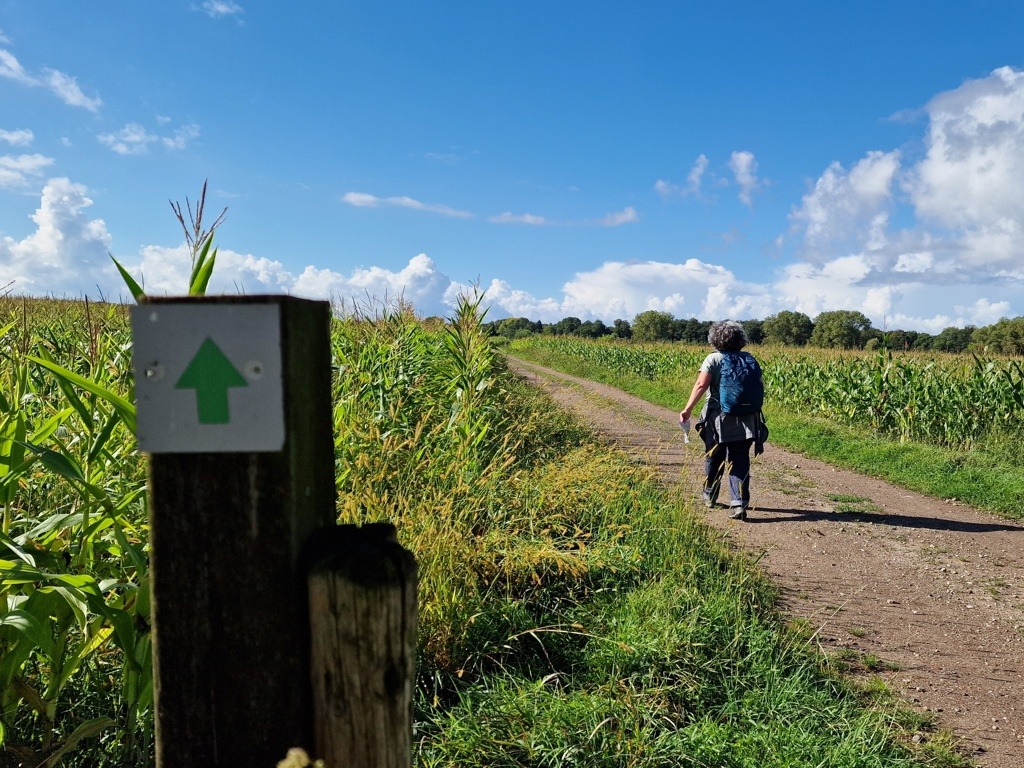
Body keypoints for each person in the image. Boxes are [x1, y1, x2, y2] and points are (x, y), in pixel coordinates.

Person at [678, 320, 767, 521]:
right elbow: (759, 388)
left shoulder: (713, 359)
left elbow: (701, 385)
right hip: (746, 419)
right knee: (740, 459)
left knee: (714, 455)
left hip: (717, 418)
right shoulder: (749, 359)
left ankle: (710, 494)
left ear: (714, 339)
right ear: (740, 340)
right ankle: (739, 503)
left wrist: (687, 410)